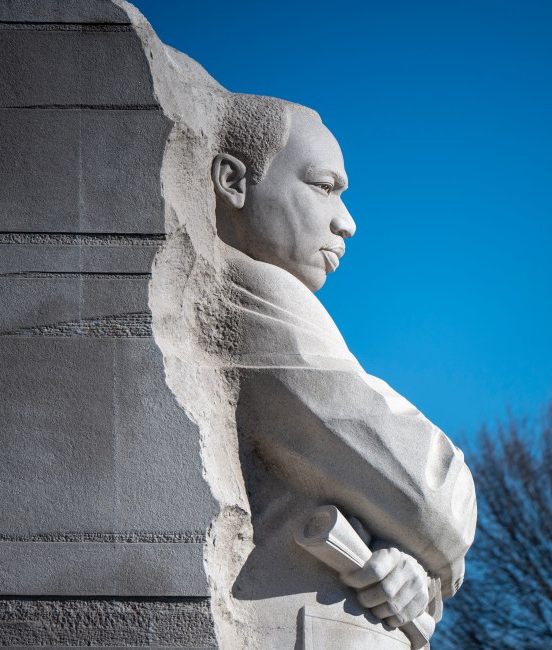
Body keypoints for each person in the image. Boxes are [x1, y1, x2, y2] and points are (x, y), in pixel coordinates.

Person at [209, 93, 476, 648]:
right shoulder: (253, 291)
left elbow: (398, 510)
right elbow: (427, 498)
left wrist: (415, 570)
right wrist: (432, 543)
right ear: (234, 182)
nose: (346, 222)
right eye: (323, 186)